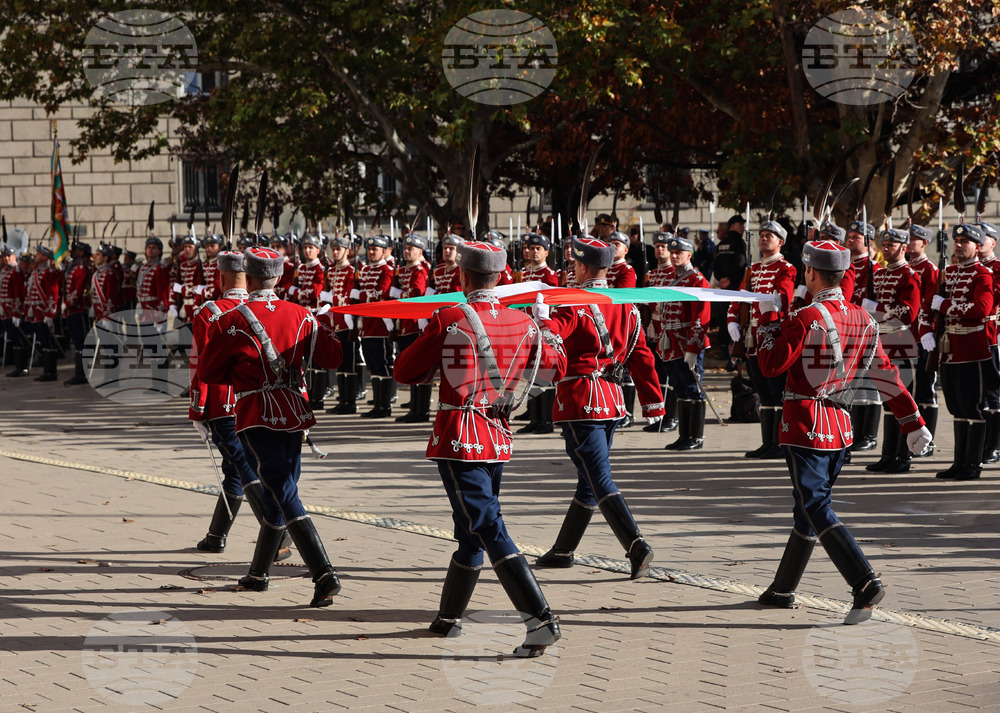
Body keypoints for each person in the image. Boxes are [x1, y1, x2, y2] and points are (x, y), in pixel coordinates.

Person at [394, 240, 563, 658]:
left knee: (487, 525)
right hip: (498, 433)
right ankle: (448, 616)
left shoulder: (451, 317)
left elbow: (405, 372)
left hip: (460, 432)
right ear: (502, 277)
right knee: (471, 527)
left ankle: (539, 619)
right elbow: (550, 372)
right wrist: (547, 329)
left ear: (463, 276)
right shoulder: (523, 322)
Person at [755, 239, 930, 624]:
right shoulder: (864, 319)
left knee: (815, 505)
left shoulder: (805, 318)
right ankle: (782, 589)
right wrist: (911, 420)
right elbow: (886, 374)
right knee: (808, 509)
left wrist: (767, 320)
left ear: (812, 273)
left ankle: (864, 582)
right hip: (839, 424)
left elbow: (770, 365)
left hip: (805, 423)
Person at [197, 246, 343, 607]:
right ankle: (259, 573)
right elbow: (334, 356)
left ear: (248, 274)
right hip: (296, 410)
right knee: (283, 488)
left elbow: (209, 372)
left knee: (282, 489)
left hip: (255, 412)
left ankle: (323, 572)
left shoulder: (232, 319)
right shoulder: (301, 314)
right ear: (279, 277)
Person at [533, 236, 665, 578]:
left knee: (598, 477)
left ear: (580, 266)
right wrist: (652, 400)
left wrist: (541, 319)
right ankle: (564, 550)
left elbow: (553, 337)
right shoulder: (625, 305)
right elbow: (641, 355)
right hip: (611, 399)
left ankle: (636, 544)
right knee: (587, 479)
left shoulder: (572, 303)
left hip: (580, 400)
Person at [189, 250, 292, 561]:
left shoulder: (208, 312)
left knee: (242, 467)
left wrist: (198, 408)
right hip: (258, 403)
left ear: (220, 277)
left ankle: (277, 535)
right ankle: (216, 536)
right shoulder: (261, 307)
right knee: (235, 469)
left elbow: (200, 367)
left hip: (222, 403)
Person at [928, 224, 996, 480]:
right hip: (950, 350)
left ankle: (973, 464)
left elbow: (981, 309)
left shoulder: (983, 275)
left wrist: (946, 305)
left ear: (978, 247)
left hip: (972, 350)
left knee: (972, 408)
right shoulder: (950, 272)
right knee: (956, 408)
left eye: (965, 241)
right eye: (956, 240)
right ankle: (959, 462)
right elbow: (932, 304)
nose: (958, 245)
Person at [726, 220, 796, 459]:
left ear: (780, 242)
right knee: (762, 390)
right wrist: (732, 320)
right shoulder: (752, 269)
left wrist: (759, 298)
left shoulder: (786, 268)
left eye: (770, 235)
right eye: (762, 234)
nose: (764, 238)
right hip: (751, 337)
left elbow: (783, 300)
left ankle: (780, 442)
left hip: (772, 336)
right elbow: (737, 298)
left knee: (776, 389)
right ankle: (768, 442)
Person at [861, 228, 921, 472]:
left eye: (892, 245)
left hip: (901, 344)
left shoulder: (910, 276)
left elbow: (908, 312)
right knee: (888, 402)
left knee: (901, 399)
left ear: (904, 248)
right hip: (883, 343)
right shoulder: (880, 274)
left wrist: (878, 307)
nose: (886, 248)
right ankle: (889, 455)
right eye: (884, 244)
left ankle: (903, 456)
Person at [657, 235, 711, 450]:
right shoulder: (671, 277)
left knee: (693, 388)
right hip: (670, 342)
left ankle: (695, 437)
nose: (674, 255)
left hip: (687, 342)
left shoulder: (697, 279)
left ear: (689, 255)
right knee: (680, 388)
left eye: (679, 252)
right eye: (672, 252)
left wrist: (693, 347)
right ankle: (684, 435)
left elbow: (701, 317)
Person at [516, 232, 559, 434]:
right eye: (531, 248)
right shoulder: (526, 273)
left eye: (538, 249)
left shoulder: (549, 275)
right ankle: (534, 417)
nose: (533, 252)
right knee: (529, 375)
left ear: (546, 253)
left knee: (544, 374)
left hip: (540, 327)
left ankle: (546, 420)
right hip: (526, 327)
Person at [906, 224, 940, 456]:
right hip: (902, 337)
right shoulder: (906, 268)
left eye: (913, 240)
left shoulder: (930, 269)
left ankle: (928, 440)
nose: (909, 243)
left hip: (923, 336)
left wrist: (927, 330)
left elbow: (929, 303)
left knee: (925, 389)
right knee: (907, 387)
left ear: (924, 243)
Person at [354, 234, 395, 418]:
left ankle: (385, 406)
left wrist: (360, 296)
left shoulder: (387, 270)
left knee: (382, 364)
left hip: (380, 325)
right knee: (373, 365)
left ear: (384, 251)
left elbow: (381, 294)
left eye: (375, 249)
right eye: (369, 249)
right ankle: (378, 403)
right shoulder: (365, 270)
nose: (371, 252)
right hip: (367, 325)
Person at [392, 232, 432, 422]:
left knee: (418, 367)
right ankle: (414, 406)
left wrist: (399, 294)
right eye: (405, 248)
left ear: (420, 251)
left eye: (411, 249)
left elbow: (417, 294)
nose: (407, 251)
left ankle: (421, 410)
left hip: (416, 324)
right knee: (410, 365)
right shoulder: (405, 270)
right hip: (405, 324)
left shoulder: (420, 271)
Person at [642, 231, 678, 433]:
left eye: (664, 246)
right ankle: (659, 416)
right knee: (657, 373)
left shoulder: (675, 273)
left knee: (670, 375)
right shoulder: (653, 274)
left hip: (669, 329)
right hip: (654, 328)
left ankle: (671, 416)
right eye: (657, 246)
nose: (660, 249)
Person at [322, 234, 359, 414]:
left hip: (347, 321)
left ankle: (350, 402)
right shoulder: (331, 272)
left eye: (339, 249)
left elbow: (352, 296)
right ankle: (342, 399)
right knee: (340, 362)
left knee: (349, 363)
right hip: (335, 322)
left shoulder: (351, 271)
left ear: (347, 251)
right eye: (333, 249)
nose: (335, 252)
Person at [974, 221, 1000, 463]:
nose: (979, 241)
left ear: (993, 242)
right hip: (970, 339)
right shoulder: (964, 268)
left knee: (993, 393)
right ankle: (979, 445)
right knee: (975, 394)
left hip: (992, 336)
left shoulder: (997, 268)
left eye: (984, 237)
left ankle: (994, 445)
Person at [24, 245, 61, 382]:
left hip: (43, 312)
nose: (36, 256)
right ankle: (47, 370)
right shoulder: (37, 272)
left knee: (48, 341)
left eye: (39, 254)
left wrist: (50, 313)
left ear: (46, 257)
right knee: (43, 341)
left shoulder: (48, 272)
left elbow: (53, 294)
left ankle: (51, 372)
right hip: (35, 312)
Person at [62, 241, 92, 385]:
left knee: (81, 341)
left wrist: (67, 304)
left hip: (79, 308)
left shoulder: (81, 268)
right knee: (77, 341)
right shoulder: (72, 267)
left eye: (75, 249)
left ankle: (82, 374)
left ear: (81, 253)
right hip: (72, 309)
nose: (72, 251)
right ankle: (79, 373)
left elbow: (78, 291)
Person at [1, 245, 28, 376]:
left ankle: (22, 367)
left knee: (18, 337)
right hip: (4, 310)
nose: (6, 258)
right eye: (4, 256)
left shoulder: (16, 271)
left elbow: (18, 293)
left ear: (14, 256)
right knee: (12, 337)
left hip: (13, 311)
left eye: (9, 256)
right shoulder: (4, 271)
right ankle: (18, 365)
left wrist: (17, 312)